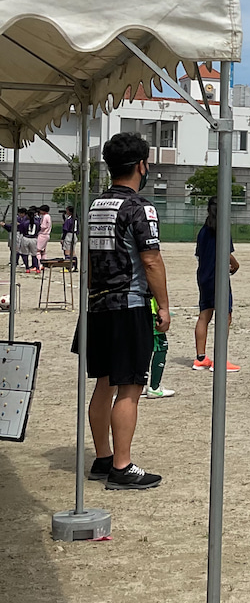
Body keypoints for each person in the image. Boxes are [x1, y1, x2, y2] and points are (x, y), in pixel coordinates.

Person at [78, 132, 169, 490]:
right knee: (129, 386)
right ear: (141, 165)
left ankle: (102, 457)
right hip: (128, 305)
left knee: (103, 382)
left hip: (97, 305)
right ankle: (122, 464)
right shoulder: (139, 208)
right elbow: (151, 260)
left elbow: (87, 258)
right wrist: (163, 305)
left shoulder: (95, 206)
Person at [192, 196, 241, 372]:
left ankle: (200, 358)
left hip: (203, 277)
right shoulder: (221, 229)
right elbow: (225, 253)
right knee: (225, 316)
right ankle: (220, 360)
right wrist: (235, 265)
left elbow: (199, 255)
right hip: (218, 277)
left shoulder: (203, 231)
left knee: (204, 315)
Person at [145, 297, 175, 399]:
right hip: (150, 309)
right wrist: (161, 309)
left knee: (139, 345)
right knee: (161, 346)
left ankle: (136, 383)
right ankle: (154, 387)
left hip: (133, 308)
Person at [19, 207, 40, 273]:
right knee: (34, 254)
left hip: (26, 238)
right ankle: (37, 268)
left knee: (25, 254)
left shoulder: (24, 222)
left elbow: (21, 231)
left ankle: (27, 268)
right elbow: (38, 230)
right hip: (34, 239)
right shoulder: (37, 222)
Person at [61, 205, 79, 271]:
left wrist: (63, 238)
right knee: (73, 251)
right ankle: (75, 266)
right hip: (74, 235)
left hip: (69, 235)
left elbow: (65, 229)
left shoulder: (69, 219)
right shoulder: (76, 218)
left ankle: (68, 267)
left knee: (67, 252)